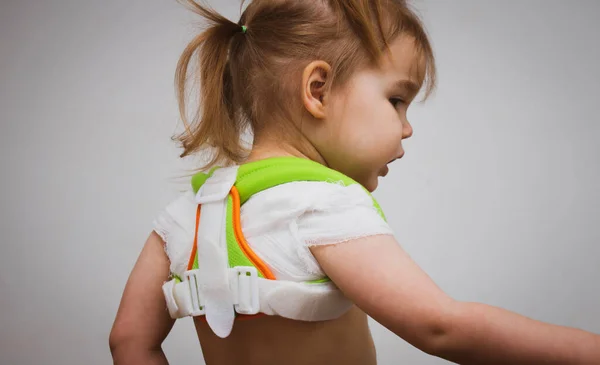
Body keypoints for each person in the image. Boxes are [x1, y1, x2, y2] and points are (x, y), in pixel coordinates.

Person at [109, 1, 600, 364]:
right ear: (317, 90)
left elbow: (129, 341)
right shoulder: (322, 205)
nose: (407, 127)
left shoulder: (181, 219)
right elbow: (440, 327)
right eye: (397, 100)